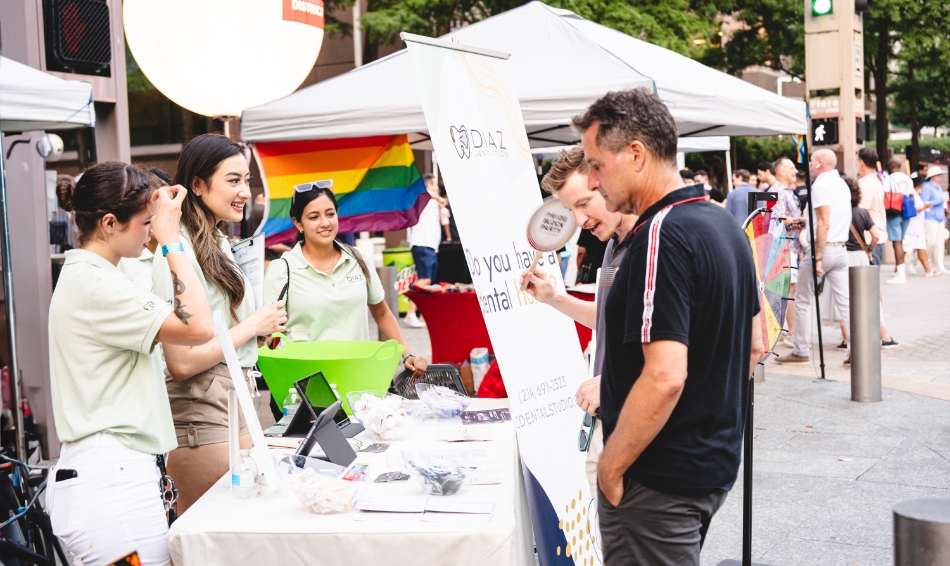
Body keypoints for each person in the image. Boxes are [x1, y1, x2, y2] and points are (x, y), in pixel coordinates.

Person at [575, 88, 763, 565]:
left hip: (658, 479)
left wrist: (611, 467)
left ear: (635, 153)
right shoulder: (723, 225)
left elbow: (665, 375)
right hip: (706, 471)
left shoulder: (662, 231)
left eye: (597, 164)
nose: (593, 181)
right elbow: (755, 345)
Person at [46, 163, 214, 565]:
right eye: (145, 223)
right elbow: (199, 326)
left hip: (111, 478)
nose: (150, 232)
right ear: (108, 223)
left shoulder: (100, 277)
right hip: (111, 484)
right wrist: (172, 239)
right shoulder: (98, 286)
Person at [152, 134, 288, 514]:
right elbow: (180, 363)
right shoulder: (175, 250)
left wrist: (256, 333)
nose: (244, 191)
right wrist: (251, 326)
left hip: (236, 398)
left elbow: (221, 331)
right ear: (197, 185)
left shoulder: (217, 242)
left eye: (247, 180)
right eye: (233, 180)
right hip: (201, 411)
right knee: (210, 539)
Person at [520, 145, 638, 496]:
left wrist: (614, 383)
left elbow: (679, 348)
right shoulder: (615, 246)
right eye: (572, 210)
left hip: (635, 431)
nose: (581, 221)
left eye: (584, 203)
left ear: (607, 185)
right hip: (608, 423)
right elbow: (609, 320)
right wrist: (554, 298)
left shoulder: (649, 248)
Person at [262, 182, 427, 377]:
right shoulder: (283, 269)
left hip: (357, 379)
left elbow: (382, 313)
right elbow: (269, 334)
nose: (325, 223)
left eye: (330, 214)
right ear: (298, 223)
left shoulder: (359, 259)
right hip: (305, 383)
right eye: (314, 217)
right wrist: (281, 367)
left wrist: (407, 355)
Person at [775, 149, 852, 367]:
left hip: (822, 249)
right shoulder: (842, 185)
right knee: (845, 302)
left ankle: (800, 350)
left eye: (811, 160)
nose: (808, 164)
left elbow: (824, 222)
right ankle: (856, 351)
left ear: (819, 163)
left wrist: (818, 257)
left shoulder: (820, 186)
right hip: (840, 248)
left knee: (802, 300)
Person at [770, 157, 804, 348]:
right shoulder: (778, 192)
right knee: (789, 289)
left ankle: (786, 331)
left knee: (787, 289)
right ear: (781, 172)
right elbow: (776, 220)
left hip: (789, 247)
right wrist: (798, 220)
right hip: (784, 246)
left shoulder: (785, 191)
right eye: (791, 168)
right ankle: (790, 333)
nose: (795, 171)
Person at [404, 173, 443, 328]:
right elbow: (425, 192)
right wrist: (438, 198)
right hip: (422, 244)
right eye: (434, 185)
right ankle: (410, 313)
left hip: (429, 246)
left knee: (427, 283)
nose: (437, 188)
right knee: (424, 280)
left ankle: (423, 317)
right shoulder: (425, 199)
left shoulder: (432, 203)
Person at [856, 148, 888, 266]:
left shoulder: (866, 185)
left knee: (866, 282)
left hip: (869, 239)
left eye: (856, 161)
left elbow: (860, 213)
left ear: (861, 163)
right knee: (870, 281)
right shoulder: (876, 181)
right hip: (876, 237)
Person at [885, 158, 915, 284]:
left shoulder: (889, 178)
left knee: (896, 243)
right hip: (906, 213)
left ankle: (900, 275)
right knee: (900, 242)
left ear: (891, 166)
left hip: (894, 212)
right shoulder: (908, 178)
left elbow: (885, 194)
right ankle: (899, 271)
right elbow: (912, 195)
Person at [904, 177, 935, 276]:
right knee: (905, 249)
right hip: (912, 227)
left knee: (921, 247)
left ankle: (928, 270)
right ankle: (897, 269)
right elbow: (912, 209)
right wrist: (924, 207)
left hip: (919, 227)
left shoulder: (917, 193)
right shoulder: (911, 193)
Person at [921, 166, 948, 274]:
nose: (939, 176)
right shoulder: (926, 187)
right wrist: (939, 200)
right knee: (931, 242)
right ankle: (922, 259)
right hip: (930, 218)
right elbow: (925, 203)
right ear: (932, 176)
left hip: (940, 218)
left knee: (939, 243)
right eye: (937, 174)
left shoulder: (938, 187)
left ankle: (938, 266)